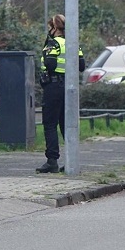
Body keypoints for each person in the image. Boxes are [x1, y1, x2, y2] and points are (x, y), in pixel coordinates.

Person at [36, 14, 85, 173]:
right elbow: (82, 66)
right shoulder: (73, 44)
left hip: (53, 87)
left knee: (50, 124)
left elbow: (50, 64)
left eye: (49, 27)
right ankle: (71, 160)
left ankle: (52, 161)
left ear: (54, 28)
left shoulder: (53, 44)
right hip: (69, 88)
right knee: (67, 125)